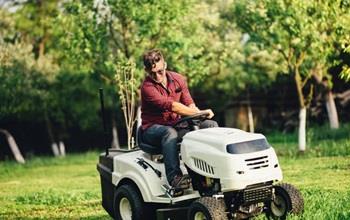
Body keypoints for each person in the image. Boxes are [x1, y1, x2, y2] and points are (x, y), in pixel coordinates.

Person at [140, 49, 218, 189]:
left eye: (160, 71)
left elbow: (189, 103)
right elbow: (173, 106)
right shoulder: (147, 88)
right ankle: (175, 178)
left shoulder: (178, 79)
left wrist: (199, 115)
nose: (157, 76)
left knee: (210, 125)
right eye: (152, 73)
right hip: (152, 129)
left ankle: (211, 172)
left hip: (177, 124)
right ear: (146, 70)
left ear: (165, 65)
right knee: (169, 133)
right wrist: (201, 112)